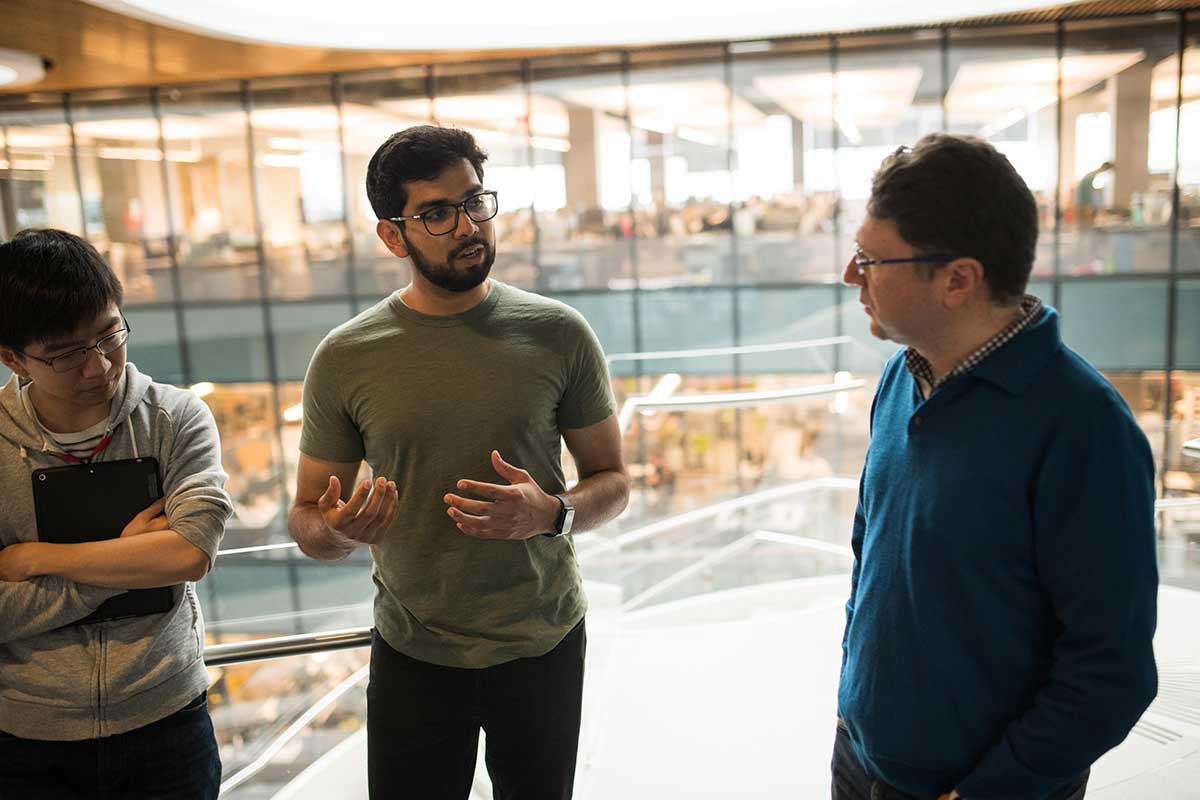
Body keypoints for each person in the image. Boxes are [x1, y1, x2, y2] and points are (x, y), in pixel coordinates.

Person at [288, 125, 629, 800]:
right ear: (394, 236)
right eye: (437, 213)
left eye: (475, 202)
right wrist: (339, 531)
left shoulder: (559, 334)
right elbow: (306, 518)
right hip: (415, 653)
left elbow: (614, 483)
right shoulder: (345, 356)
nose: (467, 225)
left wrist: (552, 513)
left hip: (543, 644)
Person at [833, 135, 1157, 800]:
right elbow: (873, 562)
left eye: (871, 259)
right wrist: (851, 700)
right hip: (859, 761)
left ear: (958, 279)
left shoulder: (1084, 428)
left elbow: (1111, 671)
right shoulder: (900, 378)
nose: (850, 275)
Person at [0, 229, 233, 799]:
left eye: (109, 336)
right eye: (66, 353)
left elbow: (187, 554)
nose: (98, 367)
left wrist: (39, 558)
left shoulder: (175, 418)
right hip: (29, 737)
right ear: (13, 357)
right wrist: (125, 562)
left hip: (169, 718)